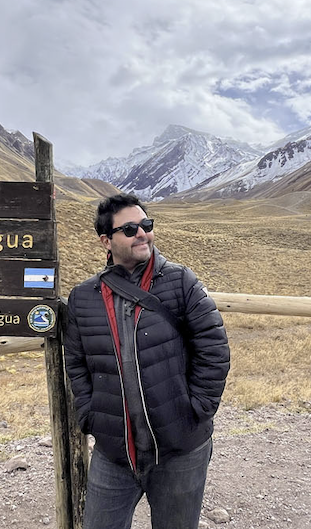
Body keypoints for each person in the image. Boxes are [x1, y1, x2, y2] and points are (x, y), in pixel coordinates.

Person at [64, 193, 230, 529]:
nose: (142, 233)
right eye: (129, 229)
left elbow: (214, 350)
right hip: (114, 454)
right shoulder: (83, 297)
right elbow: (76, 362)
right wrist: (90, 415)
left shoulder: (181, 282)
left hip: (180, 451)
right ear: (105, 241)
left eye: (146, 225)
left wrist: (195, 411)